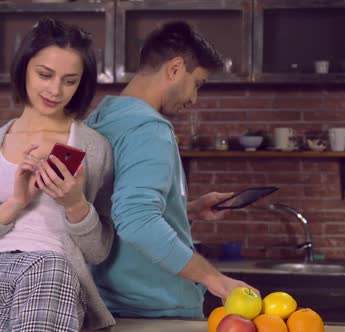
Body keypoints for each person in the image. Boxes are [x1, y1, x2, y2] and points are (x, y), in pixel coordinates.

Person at [0, 18, 115, 331]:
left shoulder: (95, 148)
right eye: (45, 75)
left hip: (57, 287)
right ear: (24, 68)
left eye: (70, 81)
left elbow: (97, 252)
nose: (55, 90)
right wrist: (16, 202)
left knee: (46, 278)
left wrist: (75, 205)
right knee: (50, 265)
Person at [85, 21, 259, 318]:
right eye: (197, 84)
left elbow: (111, 208)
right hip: (158, 307)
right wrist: (215, 280)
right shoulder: (150, 128)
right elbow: (136, 219)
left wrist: (186, 210)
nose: (194, 98)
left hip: (107, 304)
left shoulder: (100, 117)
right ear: (175, 68)